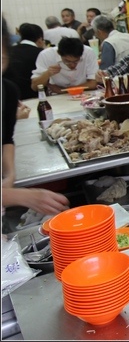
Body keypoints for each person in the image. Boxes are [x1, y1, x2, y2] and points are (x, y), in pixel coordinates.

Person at [2, 15, 70, 217]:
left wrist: (10, 174)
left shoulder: (7, 91)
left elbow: (6, 138)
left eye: (2, 59)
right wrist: (20, 196)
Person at [31, 37, 98, 94]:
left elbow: (93, 83)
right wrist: (47, 74)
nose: (72, 65)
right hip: (57, 96)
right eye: (67, 61)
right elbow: (35, 87)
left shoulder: (88, 52)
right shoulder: (46, 55)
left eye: (76, 61)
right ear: (59, 53)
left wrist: (63, 90)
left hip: (84, 93)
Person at [3, 23, 46, 99]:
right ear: (40, 39)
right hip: (35, 95)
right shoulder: (41, 53)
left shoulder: (9, 51)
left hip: (11, 95)